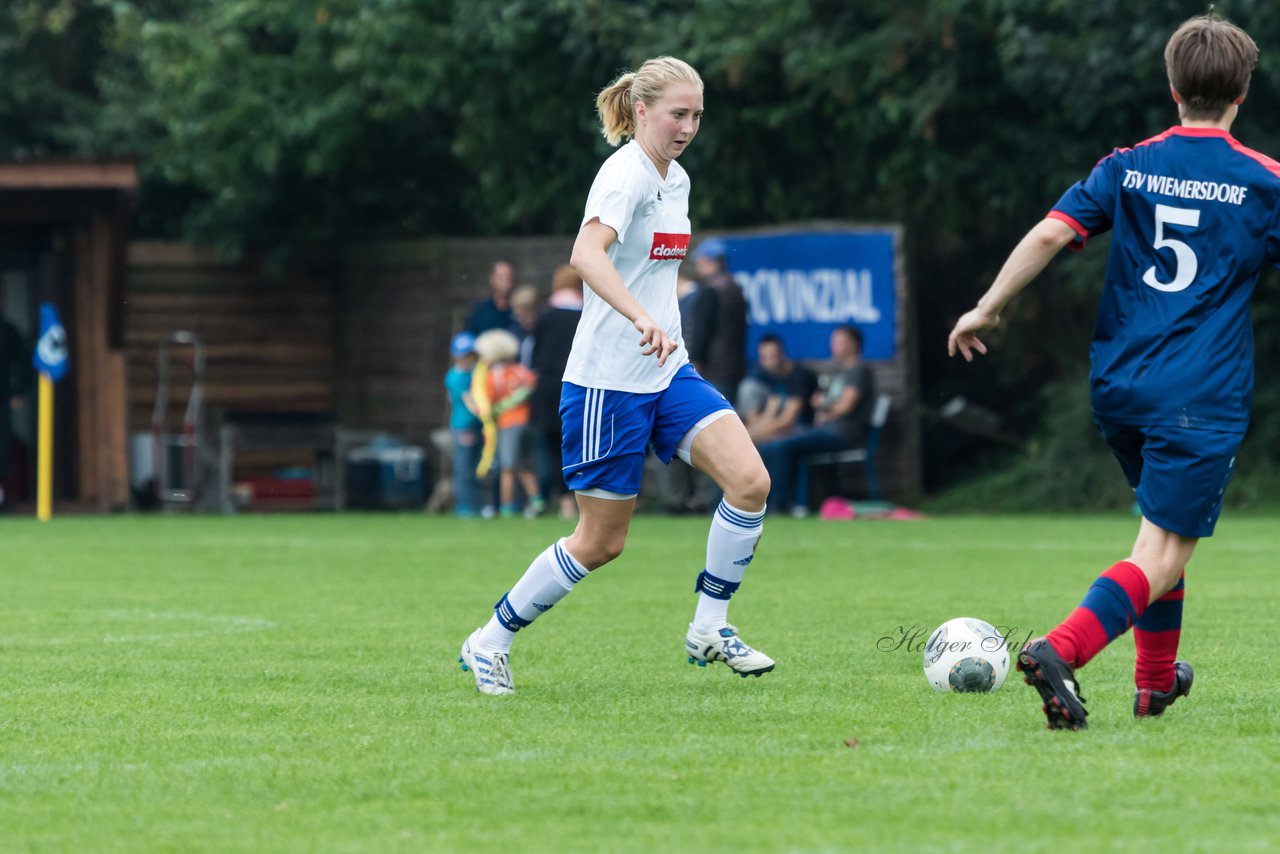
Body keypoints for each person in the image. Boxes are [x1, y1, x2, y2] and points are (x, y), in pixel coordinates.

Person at [947, 14, 1271, 730]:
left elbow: (1050, 232)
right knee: (1162, 551)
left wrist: (987, 307)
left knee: (1159, 538)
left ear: (1172, 86)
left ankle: (1155, 686)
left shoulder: (1128, 164)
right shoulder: (1264, 183)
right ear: (1242, 93)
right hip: (1200, 391)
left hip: (1120, 387)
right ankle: (1060, 650)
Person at [458, 55, 774, 695]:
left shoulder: (675, 179)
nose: (687, 127)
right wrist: (638, 317)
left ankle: (709, 626)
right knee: (600, 543)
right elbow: (585, 255)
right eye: (676, 114)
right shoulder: (622, 175)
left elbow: (651, 270)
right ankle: (490, 639)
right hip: (609, 383)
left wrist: (662, 322)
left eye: (696, 116)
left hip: (668, 369)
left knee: (750, 481)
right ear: (640, 110)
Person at [756, 326, 874, 515]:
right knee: (769, 444)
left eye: (840, 342)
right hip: (825, 430)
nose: (834, 346)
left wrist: (825, 408)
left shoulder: (858, 370)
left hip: (842, 434)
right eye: (834, 342)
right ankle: (766, 504)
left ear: (854, 344)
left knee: (780, 446)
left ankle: (780, 506)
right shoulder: (840, 372)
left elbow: (846, 406)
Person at [529, 265, 583, 520]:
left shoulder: (545, 315)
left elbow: (534, 355)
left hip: (549, 388)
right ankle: (586, 501)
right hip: (579, 386)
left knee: (552, 448)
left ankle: (565, 504)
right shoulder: (586, 315)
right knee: (581, 446)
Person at [474, 329, 544, 519]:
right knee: (523, 464)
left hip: (508, 424)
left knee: (507, 466)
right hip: (527, 421)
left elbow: (486, 402)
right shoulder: (521, 370)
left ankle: (506, 508)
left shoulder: (494, 375)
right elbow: (532, 384)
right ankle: (537, 501)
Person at [684, 238, 748, 405]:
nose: (697, 265)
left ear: (709, 261)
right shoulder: (734, 287)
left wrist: (694, 368)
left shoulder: (711, 291)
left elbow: (701, 333)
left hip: (713, 372)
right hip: (734, 370)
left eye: (700, 260)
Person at [740, 335, 819, 443]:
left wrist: (752, 435)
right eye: (764, 358)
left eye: (773, 356)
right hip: (780, 429)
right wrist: (749, 432)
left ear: (782, 354)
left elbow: (787, 420)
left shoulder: (799, 376)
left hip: (803, 428)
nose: (769, 362)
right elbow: (769, 414)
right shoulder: (771, 377)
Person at [444, 333, 483, 518]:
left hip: (476, 426)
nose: (468, 359)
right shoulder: (455, 376)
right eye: (465, 355)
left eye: (471, 355)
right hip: (463, 427)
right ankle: (465, 507)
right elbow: (468, 400)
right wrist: (484, 411)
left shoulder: (474, 373)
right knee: (464, 468)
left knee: (477, 467)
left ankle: (477, 505)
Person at [0, 313, 27, 508]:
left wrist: (18, 390)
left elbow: (23, 361)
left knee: (2, 447)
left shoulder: (6, 330)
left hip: (1, 398)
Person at [464, 260, 517, 336]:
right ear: (492, 280)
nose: (506, 281)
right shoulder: (479, 311)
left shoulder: (519, 312)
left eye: (509, 277)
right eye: (501, 277)